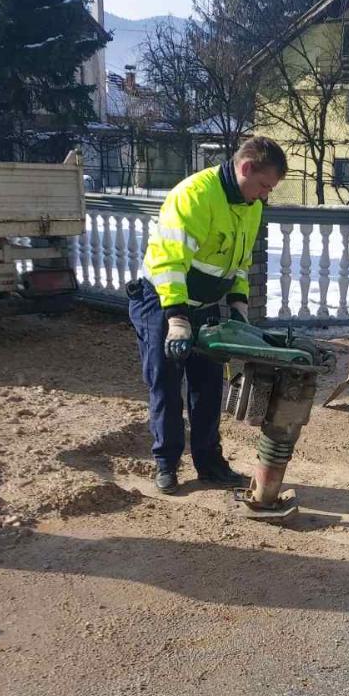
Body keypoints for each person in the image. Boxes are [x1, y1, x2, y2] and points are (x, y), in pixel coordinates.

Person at [128, 136, 288, 493]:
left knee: (208, 386)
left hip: (204, 307)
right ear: (246, 167)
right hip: (161, 301)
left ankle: (209, 464)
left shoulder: (251, 205)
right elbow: (169, 261)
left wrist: (237, 304)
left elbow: (240, 261)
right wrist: (177, 319)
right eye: (263, 185)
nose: (265, 195)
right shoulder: (194, 196)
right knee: (166, 385)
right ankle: (166, 464)